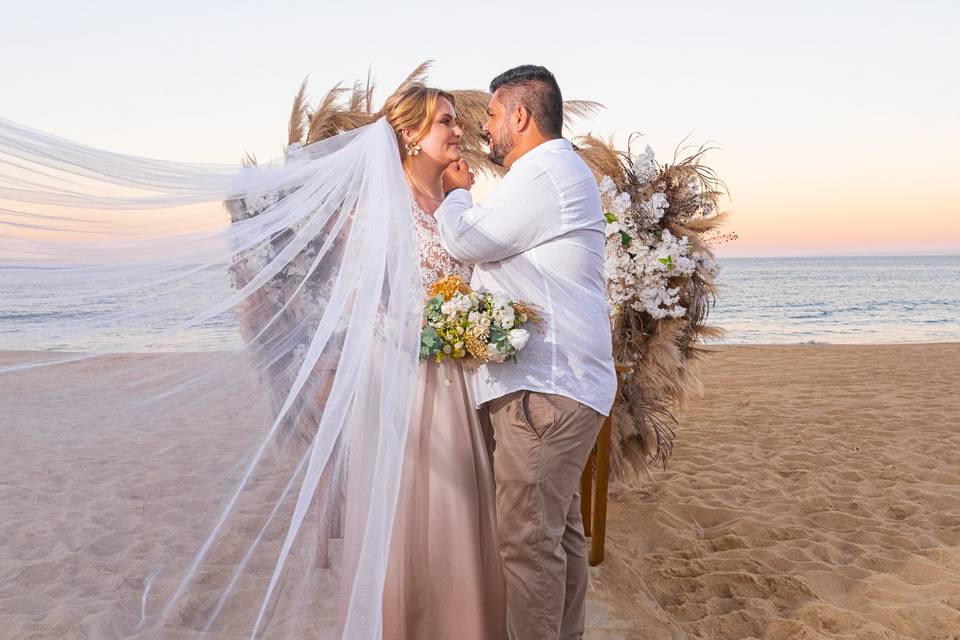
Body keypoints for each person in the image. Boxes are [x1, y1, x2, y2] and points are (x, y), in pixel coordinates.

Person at [0, 80, 505, 639]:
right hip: (402, 380)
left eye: (458, 121)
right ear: (409, 134)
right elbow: (365, 298)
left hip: (457, 382)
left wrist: (469, 326)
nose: (459, 131)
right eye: (445, 122)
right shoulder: (380, 209)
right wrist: (428, 330)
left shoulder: (455, 204)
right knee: (412, 513)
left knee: (460, 514)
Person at [437, 65, 617, 640]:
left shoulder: (544, 172)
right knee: (557, 537)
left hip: (544, 390)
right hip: (559, 386)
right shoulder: (549, 172)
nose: (484, 128)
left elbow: (470, 239)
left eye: (491, 115)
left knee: (525, 544)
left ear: (520, 115)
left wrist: (456, 194)